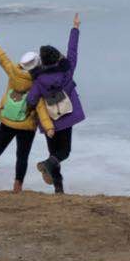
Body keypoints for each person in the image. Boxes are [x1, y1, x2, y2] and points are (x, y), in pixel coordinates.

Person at [0, 32, 54, 192]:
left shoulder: (13, 71)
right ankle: (17, 188)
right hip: (26, 125)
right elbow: (41, 106)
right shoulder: (38, 81)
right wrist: (48, 127)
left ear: (22, 64)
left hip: (8, 119)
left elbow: (1, 55)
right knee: (22, 156)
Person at [24, 12, 85, 194]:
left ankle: (58, 188)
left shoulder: (38, 80)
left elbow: (31, 99)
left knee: (54, 153)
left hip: (49, 121)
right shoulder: (67, 71)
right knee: (63, 153)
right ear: (57, 57)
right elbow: (72, 51)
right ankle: (48, 167)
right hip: (66, 117)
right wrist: (75, 28)